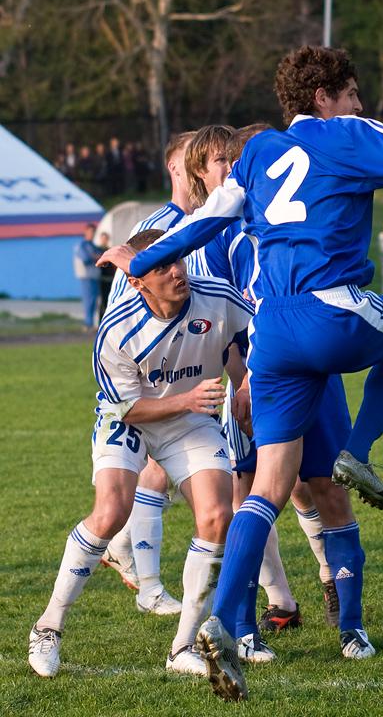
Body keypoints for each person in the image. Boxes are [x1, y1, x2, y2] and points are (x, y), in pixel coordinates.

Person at [98, 45, 383, 701]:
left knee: (270, 487)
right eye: (352, 94)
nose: (358, 106)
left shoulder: (263, 152)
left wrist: (140, 259)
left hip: (272, 342)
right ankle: (361, 450)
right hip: (328, 313)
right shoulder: (346, 134)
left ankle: (224, 622)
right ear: (325, 97)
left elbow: (205, 221)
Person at [28, 228, 256, 679]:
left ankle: (182, 646)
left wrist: (245, 381)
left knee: (216, 517)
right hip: (130, 418)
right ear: (137, 281)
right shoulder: (116, 330)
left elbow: (254, 337)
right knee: (111, 511)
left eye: (178, 260)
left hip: (190, 422)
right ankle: (48, 626)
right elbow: (126, 406)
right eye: (161, 267)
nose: (176, 272)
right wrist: (188, 401)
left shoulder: (217, 297)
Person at [187, 123, 342, 639]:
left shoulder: (279, 214)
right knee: (249, 487)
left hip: (302, 360)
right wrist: (240, 381)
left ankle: (330, 578)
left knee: (312, 483)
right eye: (219, 161)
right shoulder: (209, 237)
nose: (232, 168)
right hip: (251, 369)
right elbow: (224, 325)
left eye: (236, 158)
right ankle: (247, 620)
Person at [101, 131, 198, 616]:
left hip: (195, 357)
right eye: (197, 161)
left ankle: (139, 565)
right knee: (161, 472)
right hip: (152, 370)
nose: (209, 169)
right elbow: (126, 304)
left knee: (176, 474)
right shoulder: (161, 226)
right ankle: (150, 582)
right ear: (177, 170)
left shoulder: (210, 222)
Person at [73, 223, 101, 331]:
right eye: (90, 232)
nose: (92, 234)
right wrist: (95, 257)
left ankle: (92, 323)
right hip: (86, 276)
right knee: (89, 300)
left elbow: (101, 256)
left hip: (94, 276)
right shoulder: (82, 245)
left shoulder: (93, 245)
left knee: (95, 301)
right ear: (85, 232)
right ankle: (87, 323)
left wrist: (95, 256)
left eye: (94, 232)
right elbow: (86, 259)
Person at [97, 232, 116, 319]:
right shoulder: (97, 250)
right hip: (101, 279)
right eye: (103, 238)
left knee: (109, 300)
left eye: (106, 239)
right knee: (102, 301)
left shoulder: (109, 250)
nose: (104, 240)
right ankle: (101, 320)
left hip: (110, 279)